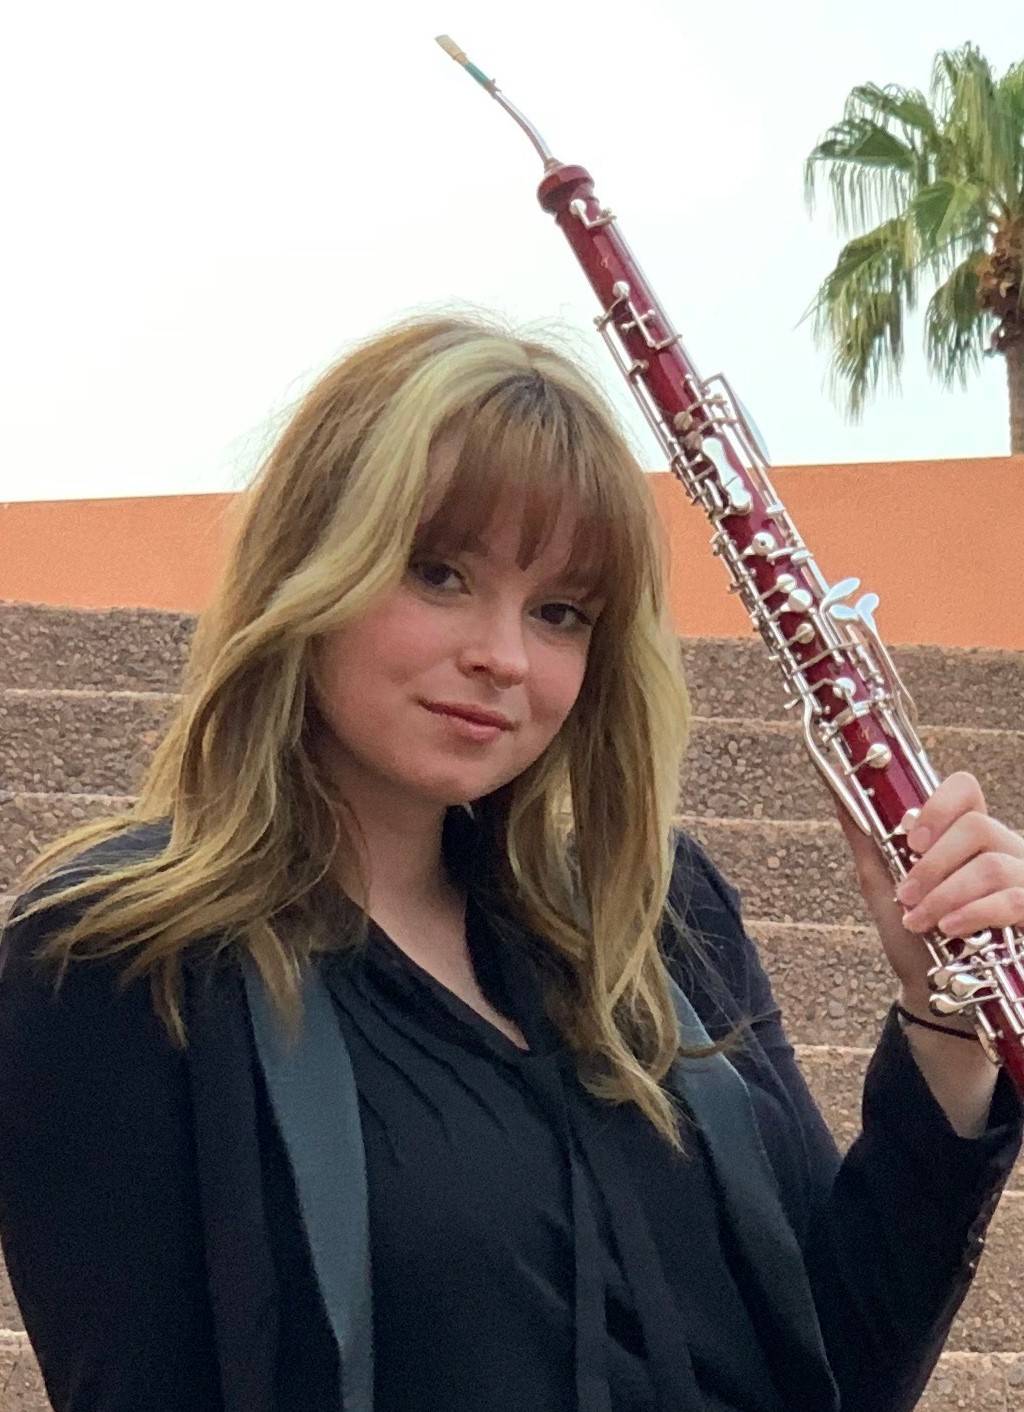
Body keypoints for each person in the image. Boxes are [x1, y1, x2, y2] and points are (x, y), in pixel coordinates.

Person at [1, 313, 1022, 1412]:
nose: (502, 654)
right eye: (437, 572)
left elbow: (836, 1368)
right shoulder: (115, 959)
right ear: (309, 565)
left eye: (559, 611)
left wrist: (942, 1016)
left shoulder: (662, 915)